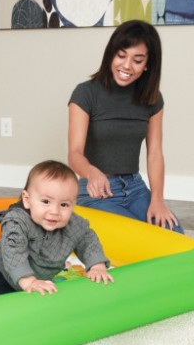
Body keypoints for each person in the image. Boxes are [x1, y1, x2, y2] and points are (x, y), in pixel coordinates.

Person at [67, 19, 183, 231]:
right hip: (96, 190)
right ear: (111, 55)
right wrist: (92, 172)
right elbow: (74, 153)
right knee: (137, 235)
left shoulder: (153, 99)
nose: (127, 66)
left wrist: (157, 200)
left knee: (174, 233)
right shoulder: (85, 93)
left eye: (137, 60)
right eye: (121, 56)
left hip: (135, 187)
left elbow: (155, 154)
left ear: (147, 64)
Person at [0, 160, 114, 298]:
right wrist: (29, 282)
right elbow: (13, 253)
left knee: (38, 299)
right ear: (27, 199)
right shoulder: (17, 222)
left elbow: (87, 240)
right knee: (5, 302)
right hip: (7, 275)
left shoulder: (73, 224)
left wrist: (97, 266)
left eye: (64, 205)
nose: (55, 211)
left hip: (41, 275)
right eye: (46, 202)